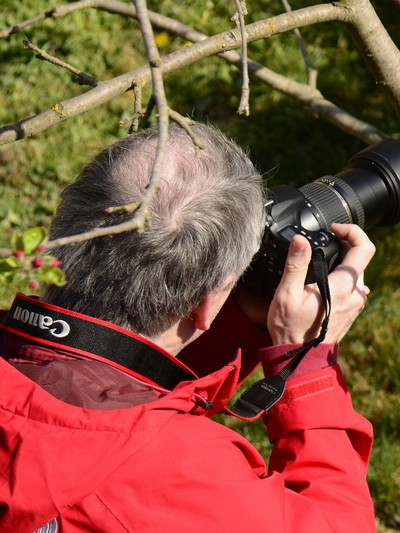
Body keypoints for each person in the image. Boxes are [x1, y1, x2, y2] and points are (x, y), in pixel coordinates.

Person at [0, 123, 377, 532]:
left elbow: (109, 386)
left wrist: (242, 321)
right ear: (207, 304)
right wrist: (306, 364)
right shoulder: (180, 478)